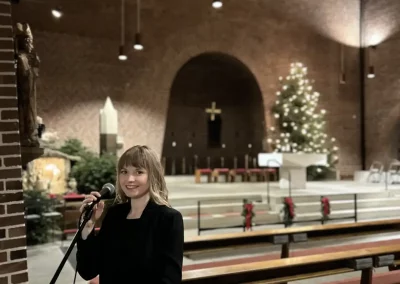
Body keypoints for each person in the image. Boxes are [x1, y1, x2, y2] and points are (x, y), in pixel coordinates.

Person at [76, 145, 184, 283]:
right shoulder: (114, 215)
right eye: (124, 171)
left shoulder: (168, 218)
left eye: (139, 172)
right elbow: (88, 271)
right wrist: (88, 226)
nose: (129, 179)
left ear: (153, 176)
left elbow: (170, 279)